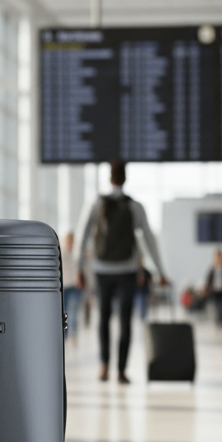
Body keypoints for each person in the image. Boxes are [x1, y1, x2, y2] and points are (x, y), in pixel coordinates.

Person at [72, 161, 168, 384]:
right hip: (127, 269)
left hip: (101, 268)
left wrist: (78, 268)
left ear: (110, 178)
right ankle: (122, 371)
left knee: (104, 318)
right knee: (125, 320)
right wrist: (160, 270)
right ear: (125, 178)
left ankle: (104, 365)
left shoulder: (96, 203)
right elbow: (149, 240)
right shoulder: (135, 206)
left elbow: (82, 234)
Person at [61, 231, 81, 341]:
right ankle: (65, 333)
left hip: (74, 286)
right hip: (63, 286)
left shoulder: (76, 255)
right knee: (64, 312)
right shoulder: (61, 254)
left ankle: (73, 333)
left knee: (72, 311)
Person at [135, 258, 153, 323]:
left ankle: (143, 318)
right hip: (136, 292)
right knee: (138, 305)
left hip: (144, 291)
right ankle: (139, 318)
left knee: (144, 305)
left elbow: (150, 283)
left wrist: (151, 293)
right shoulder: (134, 272)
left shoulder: (146, 272)